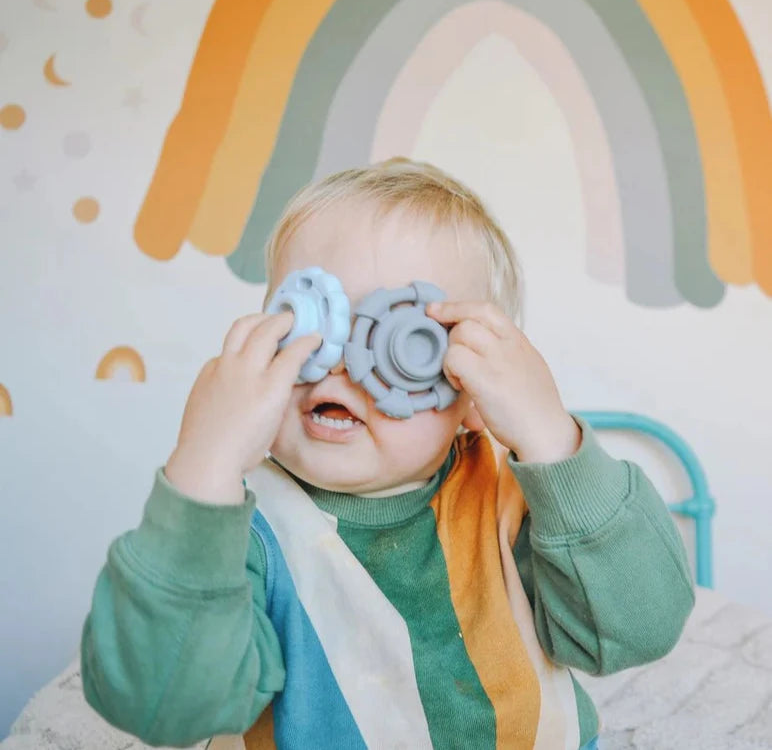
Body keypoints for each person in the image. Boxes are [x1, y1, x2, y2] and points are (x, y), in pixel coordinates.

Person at [81, 158, 695, 749]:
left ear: (473, 396)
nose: (342, 366)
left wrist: (553, 439)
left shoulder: (513, 502)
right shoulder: (241, 533)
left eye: (400, 341)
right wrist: (203, 468)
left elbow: (639, 628)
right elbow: (164, 703)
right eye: (307, 325)